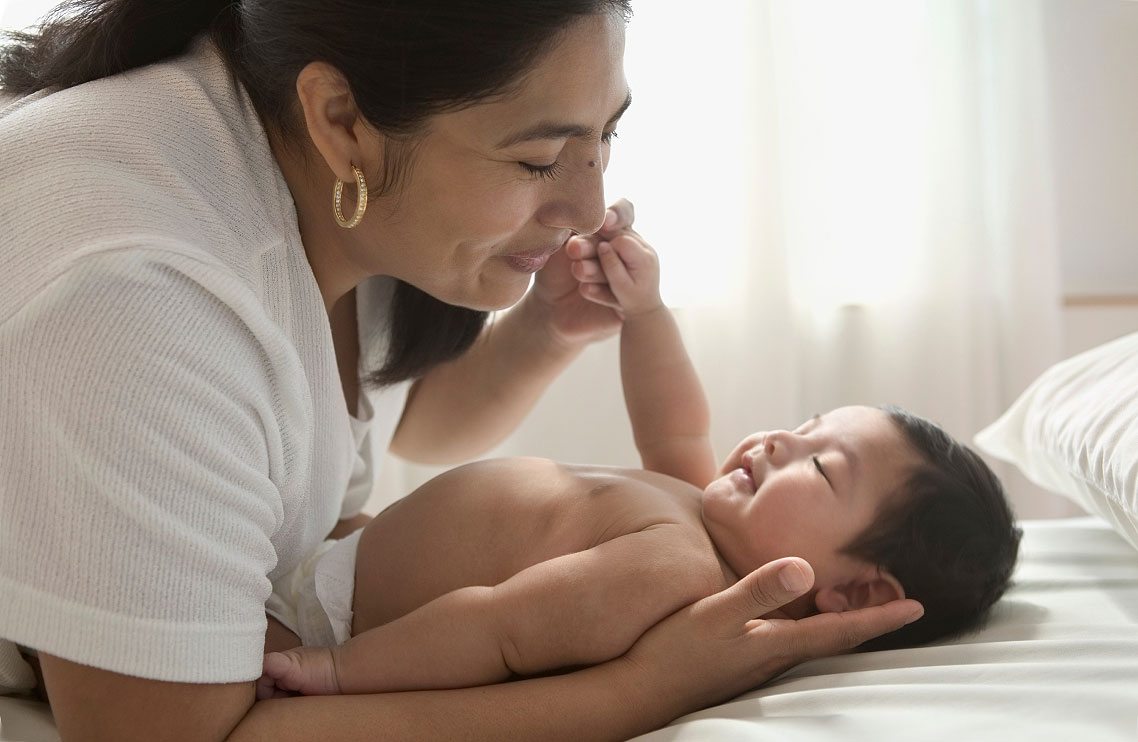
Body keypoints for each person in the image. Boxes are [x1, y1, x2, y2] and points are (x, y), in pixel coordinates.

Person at [0, 1, 925, 740]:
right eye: (538, 158)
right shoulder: (140, 295)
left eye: (605, 141)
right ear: (340, 121)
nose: (585, 206)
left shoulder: (345, 191)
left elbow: (400, 431)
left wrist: (541, 338)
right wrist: (642, 690)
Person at [256, 227, 1021, 699]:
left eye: (821, 468)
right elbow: (674, 426)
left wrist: (338, 672)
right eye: (803, 426)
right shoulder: (703, 515)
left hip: (329, 627)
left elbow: (499, 630)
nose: (780, 442)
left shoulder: (677, 575)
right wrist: (644, 311)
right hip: (333, 560)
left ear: (852, 595)